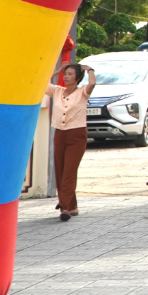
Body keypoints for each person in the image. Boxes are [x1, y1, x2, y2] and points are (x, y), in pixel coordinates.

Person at [45, 61, 95, 220]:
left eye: (70, 74)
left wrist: (90, 70)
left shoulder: (82, 92)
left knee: (69, 171)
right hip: (60, 133)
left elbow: (92, 83)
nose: (66, 77)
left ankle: (64, 207)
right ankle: (72, 206)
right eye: (65, 74)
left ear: (77, 77)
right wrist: (57, 70)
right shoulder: (57, 91)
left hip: (77, 134)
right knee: (60, 170)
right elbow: (42, 84)